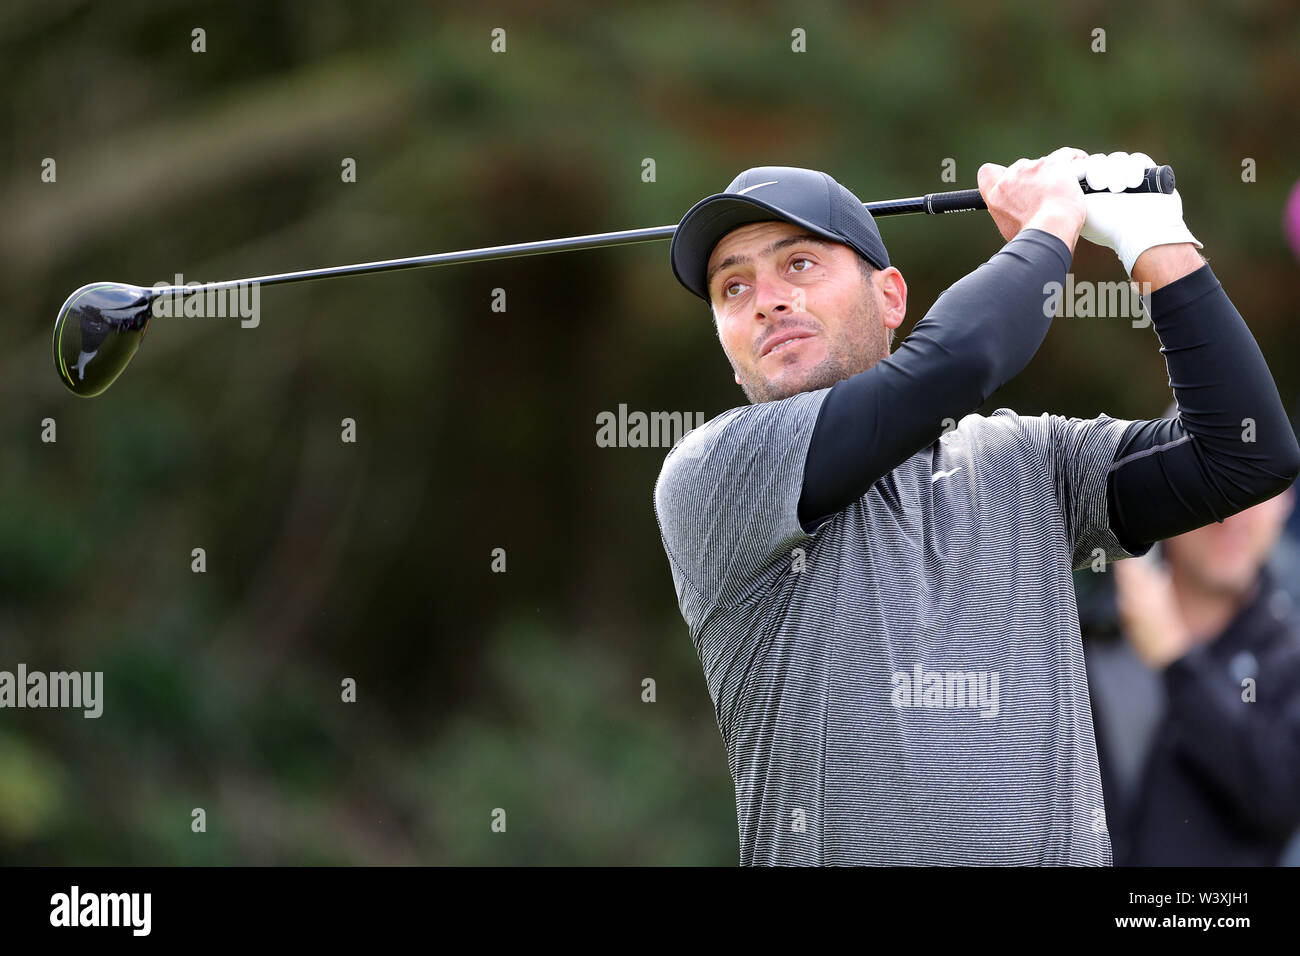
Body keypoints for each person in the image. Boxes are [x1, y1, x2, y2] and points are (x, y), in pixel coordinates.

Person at [652, 148, 1300, 865]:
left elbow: (1244, 455)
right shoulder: (711, 474)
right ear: (726, 342)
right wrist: (1054, 219)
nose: (768, 299)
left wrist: (1154, 242)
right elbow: (954, 363)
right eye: (732, 288)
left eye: (799, 264)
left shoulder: (1031, 460)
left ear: (891, 298)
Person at [1087, 488, 1300, 865]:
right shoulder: (1083, 636)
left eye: (1257, 490)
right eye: (1212, 485)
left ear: (1285, 503)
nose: (1231, 515)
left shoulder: (1287, 655)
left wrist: (1176, 660)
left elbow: (1278, 796)